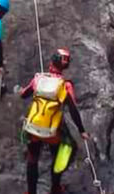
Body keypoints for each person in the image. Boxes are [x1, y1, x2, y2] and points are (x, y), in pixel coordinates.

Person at [19, 48, 90, 194]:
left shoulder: (38, 79)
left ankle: (31, 192)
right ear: (65, 66)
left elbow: (24, 94)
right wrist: (82, 130)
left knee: (32, 158)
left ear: (51, 61)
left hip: (34, 126)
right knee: (58, 157)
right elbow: (73, 109)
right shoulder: (65, 85)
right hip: (52, 131)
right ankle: (55, 188)